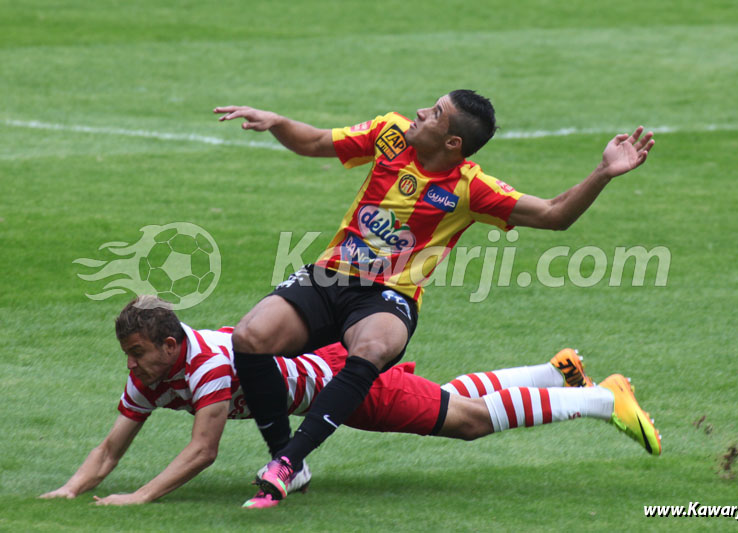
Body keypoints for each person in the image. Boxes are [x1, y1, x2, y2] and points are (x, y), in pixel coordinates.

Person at [212, 90, 656, 501]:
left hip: (388, 296)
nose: (422, 111)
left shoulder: (470, 188)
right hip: (330, 277)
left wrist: (602, 173)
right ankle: (285, 455)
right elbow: (312, 142)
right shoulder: (389, 134)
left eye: (436, 113)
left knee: (375, 349)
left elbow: (554, 214)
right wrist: (277, 122)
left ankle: (287, 464)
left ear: (452, 143)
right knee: (250, 336)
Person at [39, 297, 661, 508]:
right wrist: (70, 491)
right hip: (328, 370)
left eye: (138, 352)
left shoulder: (205, 366)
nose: (131, 364)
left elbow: (203, 451)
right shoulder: (152, 373)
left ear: (171, 345)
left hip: (344, 384)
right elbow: (110, 447)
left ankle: (601, 399)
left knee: (466, 423)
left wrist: (139, 497)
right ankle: (554, 373)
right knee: (445, 399)